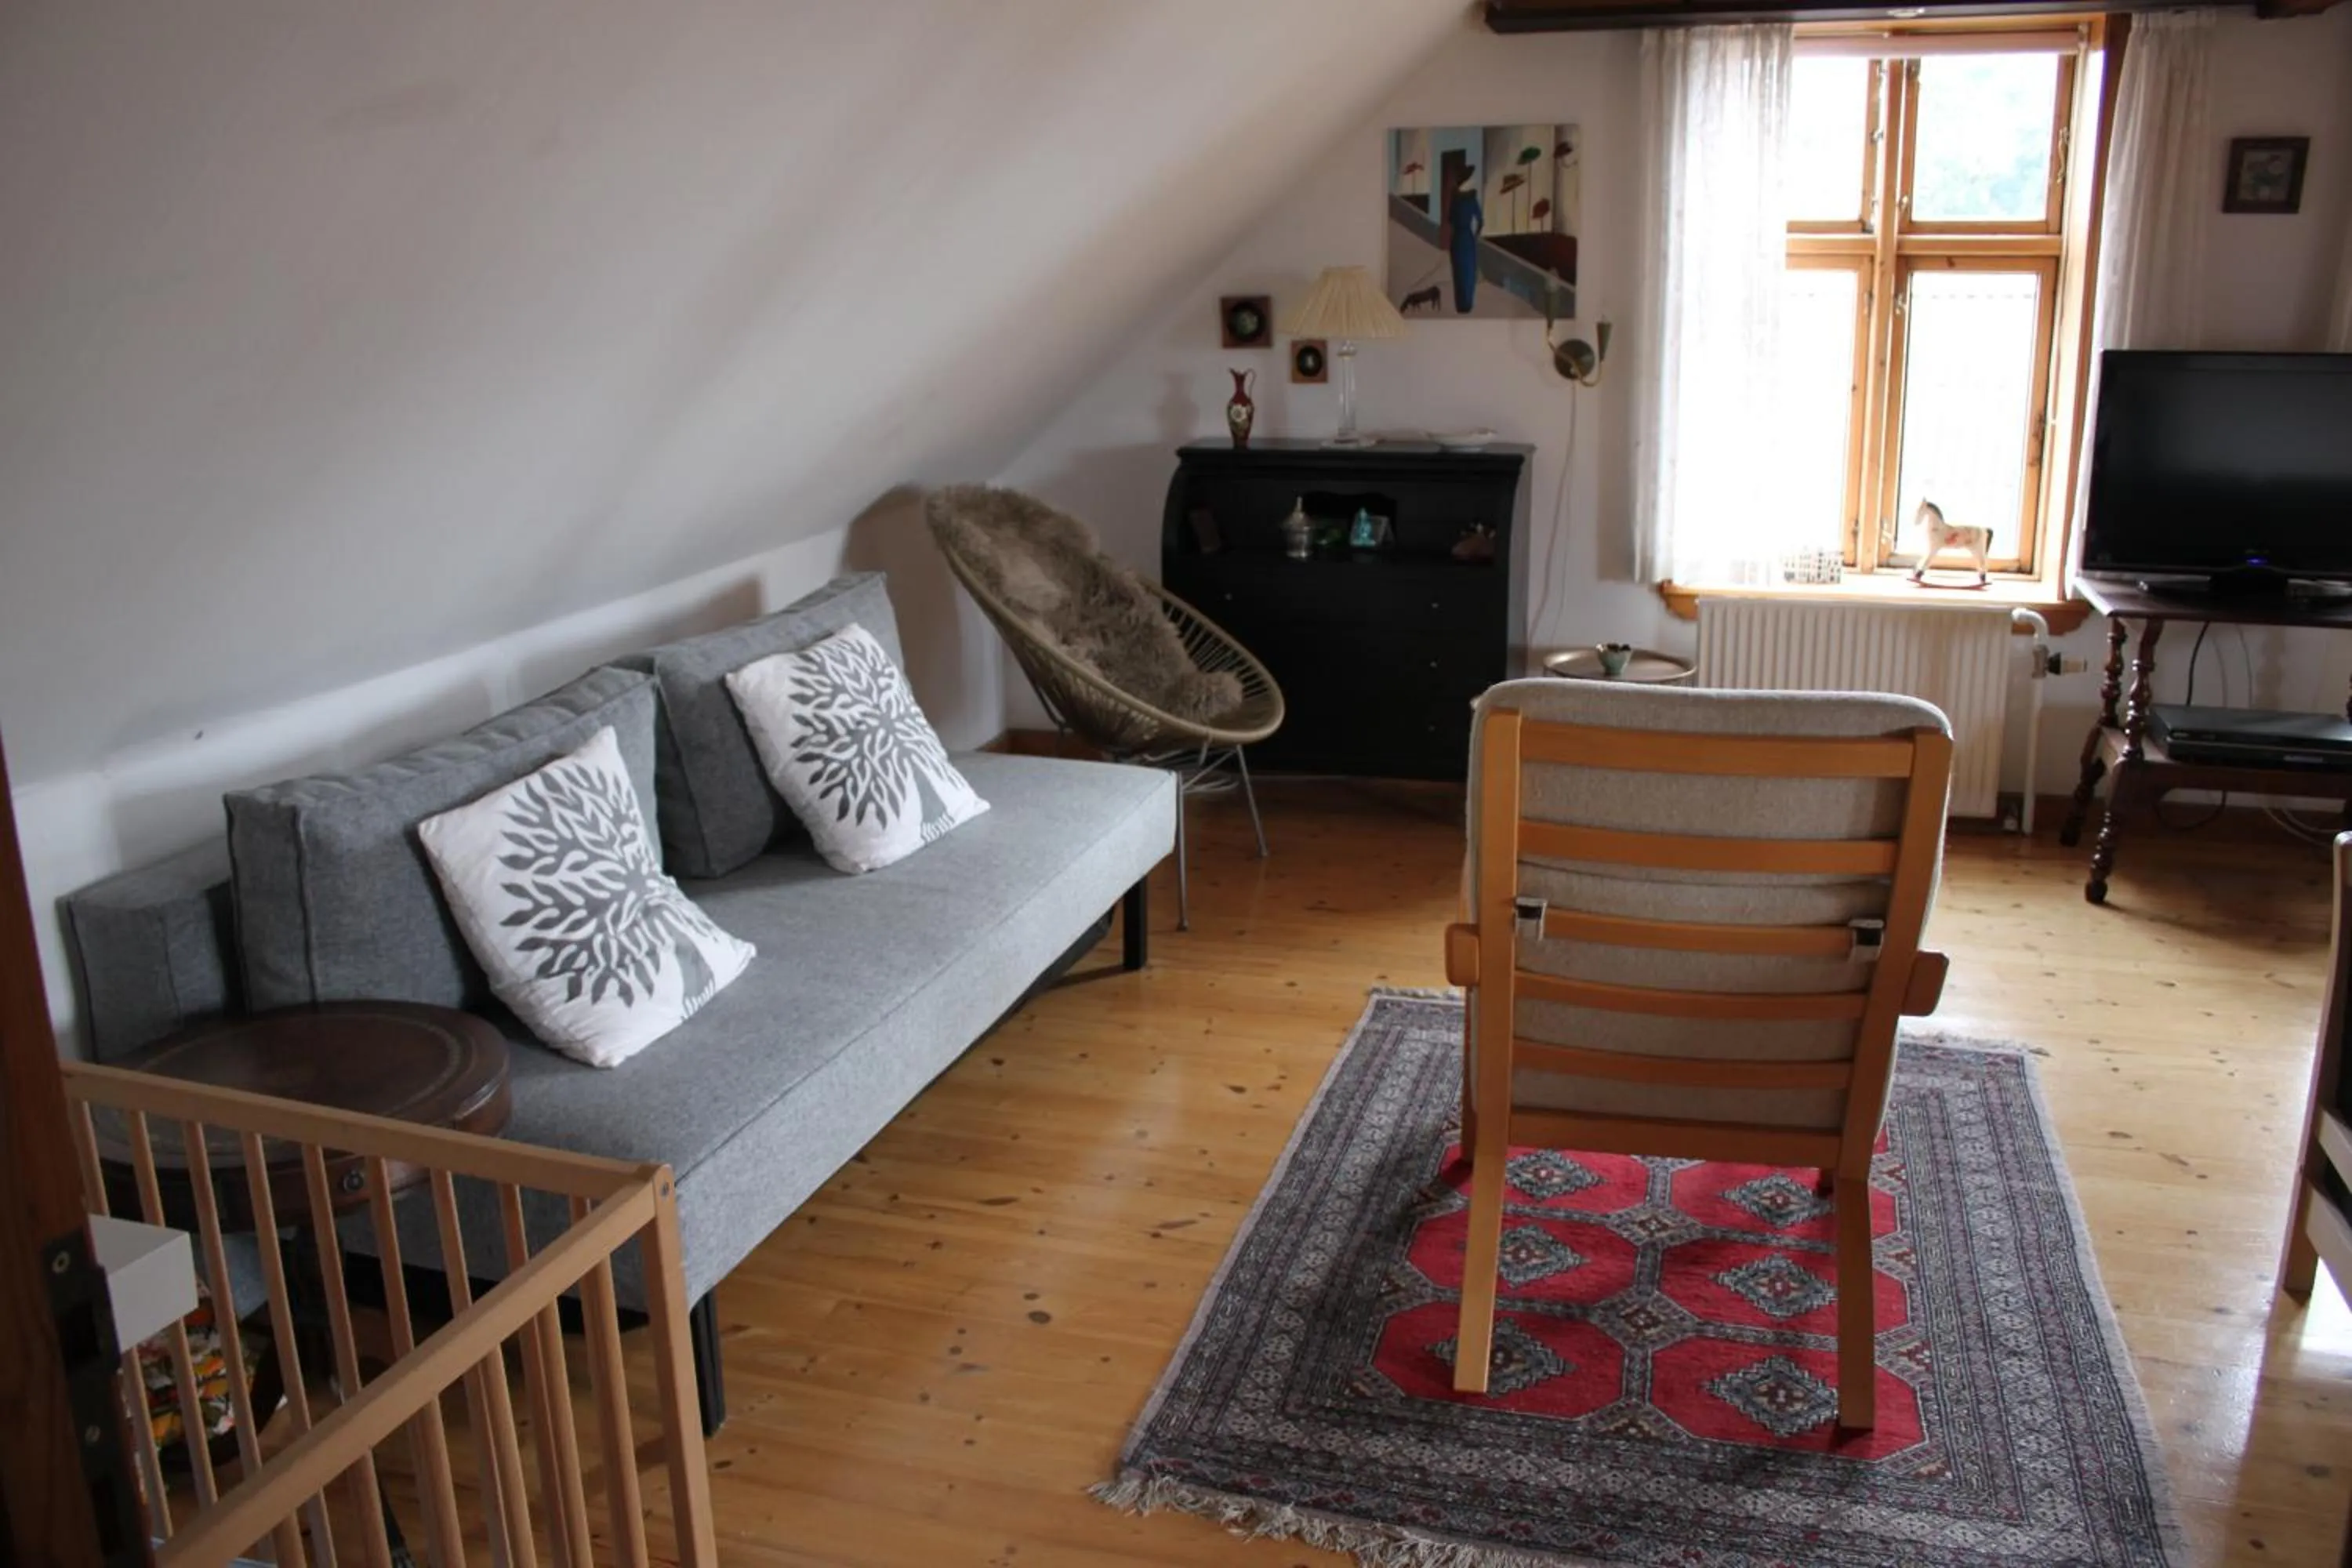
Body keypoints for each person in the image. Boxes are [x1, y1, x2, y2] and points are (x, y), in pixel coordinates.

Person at [1446, 169, 1483, 314]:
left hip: (1458, 238)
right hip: (1467, 237)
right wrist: (1476, 236)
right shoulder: (1471, 199)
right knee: (1468, 272)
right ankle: (1467, 303)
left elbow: (1450, 220)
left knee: (1459, 273)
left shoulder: (1455, 200)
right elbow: (1481, 221)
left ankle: (1460, 304)